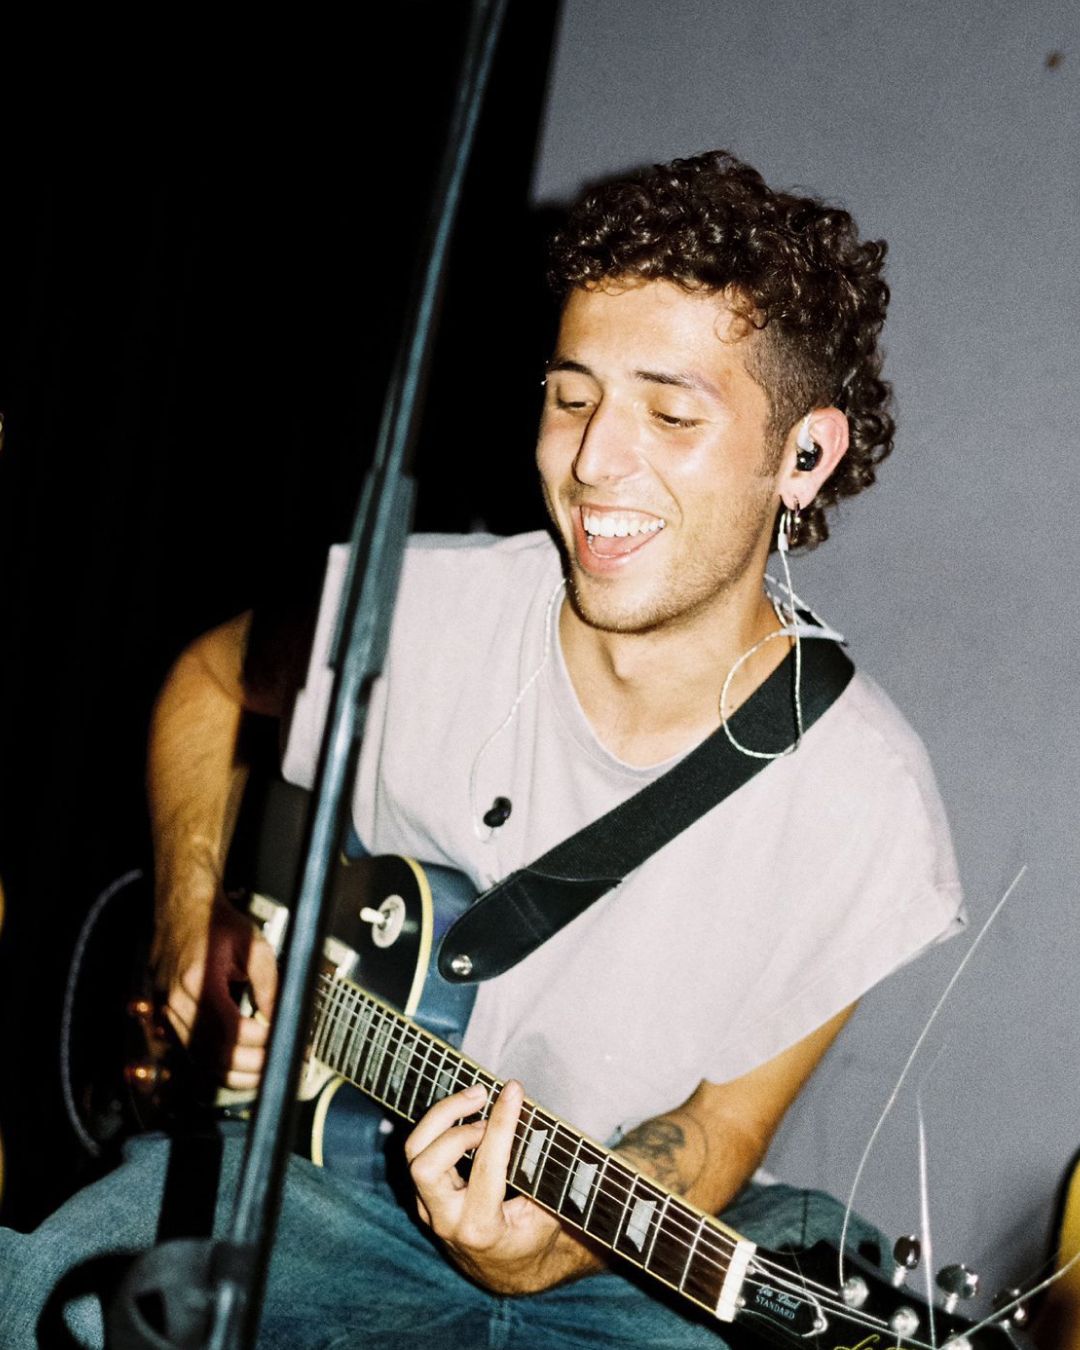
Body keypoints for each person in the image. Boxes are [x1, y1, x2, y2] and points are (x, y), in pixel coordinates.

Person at [0, 150, 964, 1348]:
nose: (595, 461)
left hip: (616, 1256)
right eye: (572, 397)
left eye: (671, 414)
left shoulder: (868, 803)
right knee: (47, 1303)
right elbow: (209, 679)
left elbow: (716, 1134)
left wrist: (546, 1247)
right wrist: (194, 918)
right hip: (304, 1186)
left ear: (803, 457)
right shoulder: (420, 610)